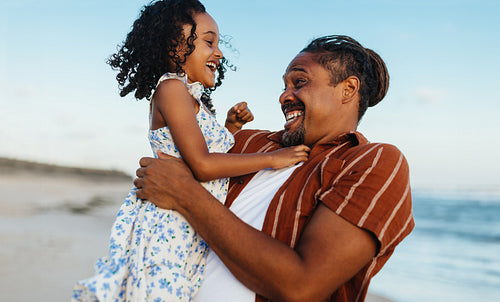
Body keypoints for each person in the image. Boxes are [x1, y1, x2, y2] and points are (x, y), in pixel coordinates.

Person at [133, 35, 415, 302]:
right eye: (285, 86)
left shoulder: (372, 162)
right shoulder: (247, 142)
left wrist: (187, 195)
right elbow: (167, 174)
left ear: (348, 89)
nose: (284, 97)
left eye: (300, 82)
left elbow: (302, 286)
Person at [71, 1, 309, 301]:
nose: (219, 53)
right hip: (169, 222)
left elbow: (199, 150)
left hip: (189, 222)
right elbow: (203, 165)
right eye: (209, 42)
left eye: (218, 44)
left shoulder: (193, 100)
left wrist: (229, 128)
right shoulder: (171, 89)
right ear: (174, 44)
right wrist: (273, 159)